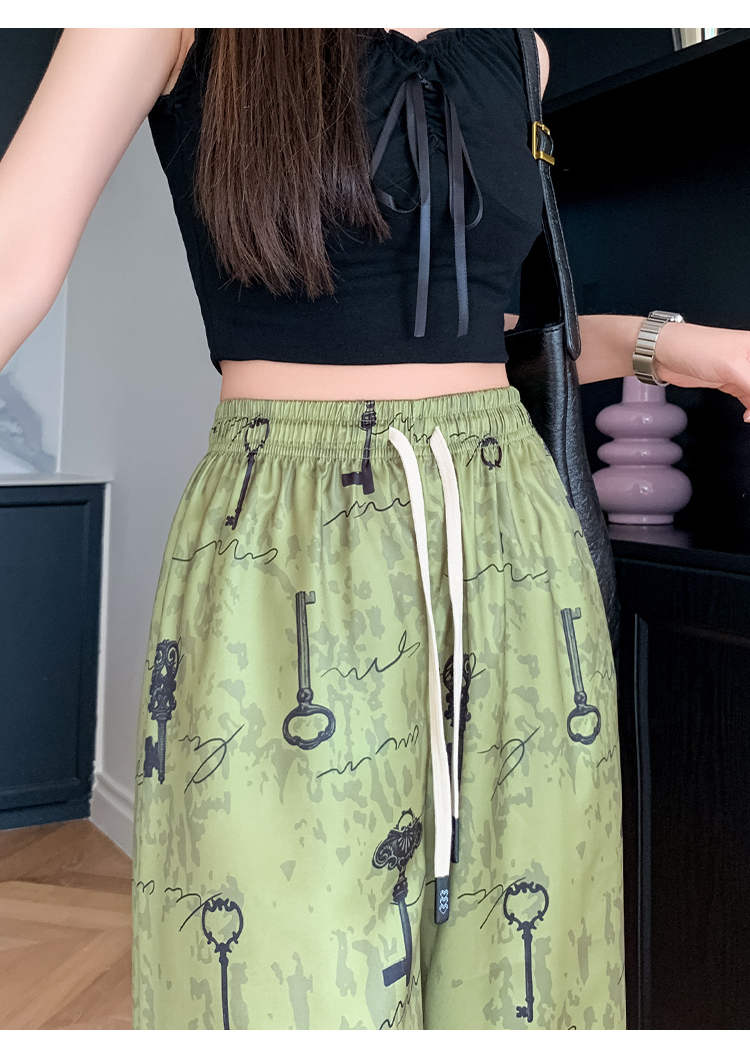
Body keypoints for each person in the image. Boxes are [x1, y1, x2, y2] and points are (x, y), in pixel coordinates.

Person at [2, 27, 749, 1032]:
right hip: (289, 548)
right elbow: (13, 256)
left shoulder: (519, 48)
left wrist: (693, 349)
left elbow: (487, 343)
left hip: (511, 542)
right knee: (283, 973)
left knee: (526, 979)